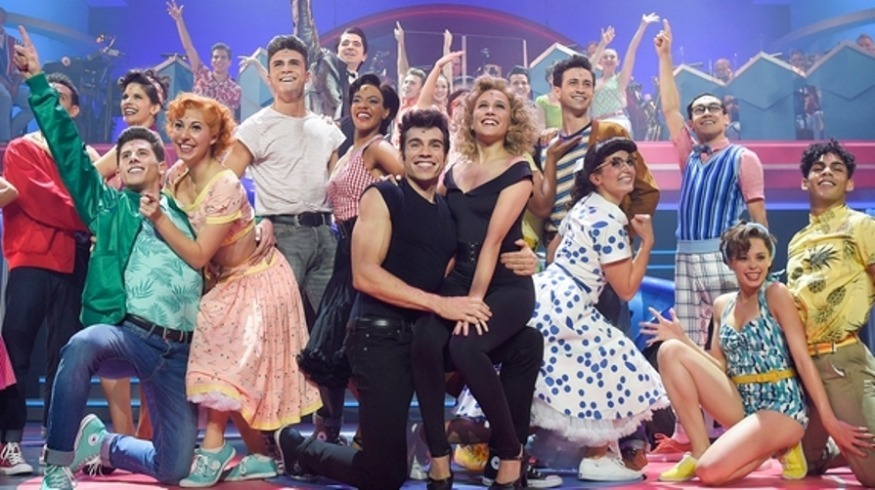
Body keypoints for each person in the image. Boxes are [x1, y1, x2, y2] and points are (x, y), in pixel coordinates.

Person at [275, 108, 541, 490]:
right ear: (401, 152)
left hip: (422, 334)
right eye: (415, 144)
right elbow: (365, 275)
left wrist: (527, 257)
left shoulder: (446, 208)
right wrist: (439, 304)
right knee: (384, 475)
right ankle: (299, 449)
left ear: (445, 155)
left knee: (527, 342)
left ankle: (508, 455)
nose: (425, 152)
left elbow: (479, 246)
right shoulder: (383, 195)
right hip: (379, 338)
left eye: (434, 145)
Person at [14, 26, 201, 489]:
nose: (133, 157)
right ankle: (57, 462)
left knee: (174, 468)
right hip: (127, 334)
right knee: (81, 344)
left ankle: (102, 444)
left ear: (162, 164)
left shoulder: (188, 209)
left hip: (179, 348)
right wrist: (37, 81)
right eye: (125, 153)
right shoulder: (107, 205)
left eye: (142, 152)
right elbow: (68, 151)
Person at [138, 92, 320, 487]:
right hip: (222, 281)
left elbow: (199, 254)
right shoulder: (176, 175)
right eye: (179, 126)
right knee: (229, 374)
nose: (185, 135)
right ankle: (261, 457)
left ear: (214, 136)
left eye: (196, 128)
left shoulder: (224, 184)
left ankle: (214, 447)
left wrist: (157, 219)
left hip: (257, 280)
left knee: (221, 361)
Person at [643, 221, 872, 484]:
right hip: (741, 402)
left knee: (709, 473)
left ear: (770, 260)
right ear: (730, 262)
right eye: (744, 258)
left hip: (781, 406)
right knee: (670, 350)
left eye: (760, 257)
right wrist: (683, 340)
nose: (753, 265)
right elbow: (719, 367)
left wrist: (829, 420)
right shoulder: (722, 305)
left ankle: (784, 444)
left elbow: (802, 360)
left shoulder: (776, 294)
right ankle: (700, 449)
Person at [409, 76, 539, 489]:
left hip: (504, 282)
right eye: (483, 105)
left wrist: (474, 303)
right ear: (469, 116)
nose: (490, 112)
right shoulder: (453, 170)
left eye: (500, 106)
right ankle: (439, 457)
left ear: (512, 120)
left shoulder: (518, 171)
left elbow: (493, 242)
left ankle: (511, 451)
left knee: (465, 346)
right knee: (424, 340)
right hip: (460, 276)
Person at [531, 137, 668, 482]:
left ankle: (591, 453)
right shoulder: (609, 221)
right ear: (595, 177)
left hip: (548, 293)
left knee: (548, 378)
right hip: (569, 304)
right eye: (615, 163)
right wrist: (648, 243)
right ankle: (595, 456)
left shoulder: (585, 205)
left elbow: (552, 253)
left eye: (629, 162)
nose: (626, 168)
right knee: (617, 360)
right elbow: (626, 289)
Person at [296, 74, 401, 444]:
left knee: (351, 349)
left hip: (368, 245)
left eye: (373, 101)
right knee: (328, 349)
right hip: (344, 249)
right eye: (358, 99)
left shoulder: (378, 148)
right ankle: (332, 432)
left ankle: (378, 432)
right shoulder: (348, 151)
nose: (363, 106)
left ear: (386, 112)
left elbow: (414, 182)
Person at [654, 19, 767, 349]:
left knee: (732, 340)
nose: (706, 113)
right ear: (691, 122)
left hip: (724, 257)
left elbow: (758, 218)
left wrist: (762, 264)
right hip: (685, 257)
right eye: (699, 109)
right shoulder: (688, 154)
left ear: (726, 118)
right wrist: (665, 56)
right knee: (689, 343)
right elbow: (669, 108)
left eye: (713, 108)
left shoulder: (743, 157)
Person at [0, 72, 90, 477]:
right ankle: (9, 441)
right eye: (45, 96)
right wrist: (88, 215)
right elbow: (43, 200)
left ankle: (58, 446)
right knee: (16, 352)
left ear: (74, 109)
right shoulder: (21, 148)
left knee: (65, 357)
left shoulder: (79, 155)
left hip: (73, 261)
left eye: (61, 98)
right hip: (31, 260)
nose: (51, 103)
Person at [787, 140, 875, 487]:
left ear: (849, 183)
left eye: (837, 168)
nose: (827, 172)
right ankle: (835, 449)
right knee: (803, 465)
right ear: (804, 181)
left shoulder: (861, 225)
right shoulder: (796, 241)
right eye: (818, 168)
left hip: (843, 363)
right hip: (803, 371)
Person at [166, 1, 241, 116]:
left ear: (229, 62)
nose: (219, 60)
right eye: (216, 57)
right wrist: (179, 20)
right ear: (211, 61)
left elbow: (230, 117)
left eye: (223, 57)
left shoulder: (234, 89)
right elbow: (189, 47)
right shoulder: (201, 74)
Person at [591, 13, 660, 136]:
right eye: (605, 57)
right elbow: (587, 69)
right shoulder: (593, 82)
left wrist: (643, 25)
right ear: (600, 62)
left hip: (617, 123)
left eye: (612, 57)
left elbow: (631, 50)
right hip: (597, 125)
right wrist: (603, 44)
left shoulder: (620, 79)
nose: (609, 59)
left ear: (618, 62)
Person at [0, 9, 31, 144]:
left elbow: (19, 69)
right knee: (5, 97)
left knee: (33, 101)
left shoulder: (13, 42)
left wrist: (15, 85)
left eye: (1, 18)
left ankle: (10, 133)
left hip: (10, 82)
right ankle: (4, 140)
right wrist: (6, 84)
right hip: (3, 85)